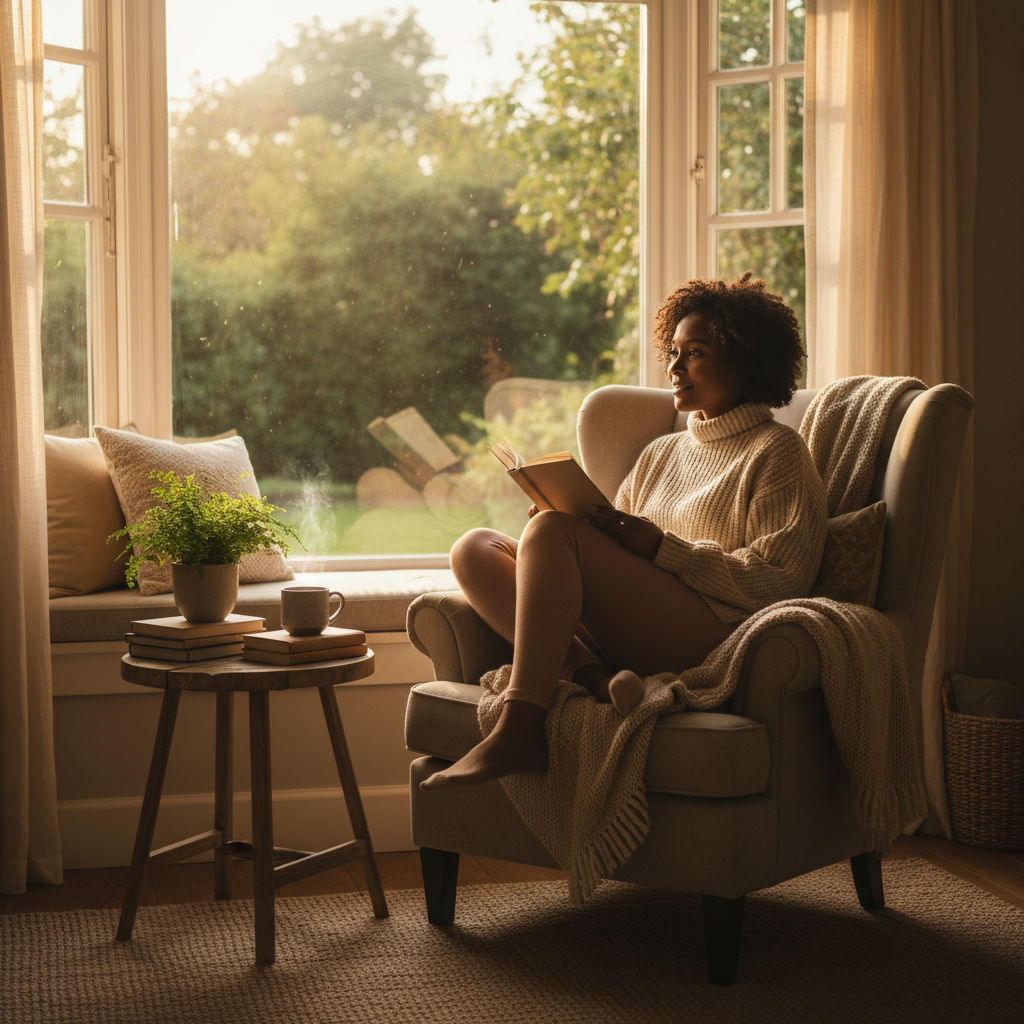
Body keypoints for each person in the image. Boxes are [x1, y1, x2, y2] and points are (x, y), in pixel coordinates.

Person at [420, 272, 827, 791]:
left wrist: (663, 549)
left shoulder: (779, 453)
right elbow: (614, 547)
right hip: (632, 630)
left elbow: (781, 580)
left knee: (551, 535)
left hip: (716, 633)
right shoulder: (662, 452)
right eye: (673, 353)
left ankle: (520, 725)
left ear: (746, 360)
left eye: (695, 353)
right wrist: (565, 524)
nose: (675, 368)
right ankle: (595, 678)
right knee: (475, 547)